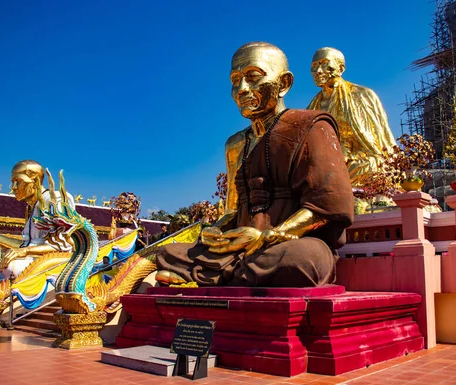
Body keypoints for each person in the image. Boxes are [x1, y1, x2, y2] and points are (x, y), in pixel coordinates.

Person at [156, 42, 353, 287]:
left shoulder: (312, 126)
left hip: (290, 242)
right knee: (167, 254)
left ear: (284, 83)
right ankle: (227, 273)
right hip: (239, 248)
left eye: (253, 77)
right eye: (235, 79)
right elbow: (232, 210)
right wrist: (215, 232)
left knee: (303, 260)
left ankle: (217, 276)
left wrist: (269, 235)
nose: (241, 89)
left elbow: (329, 207)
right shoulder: (236, 144)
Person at [0, 160, 75, 280]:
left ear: (35, 182)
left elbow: (62, 246)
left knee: (12, 267)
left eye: (18, 182)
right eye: (12, 182)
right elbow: (27, 245)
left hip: (56, 261)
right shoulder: (32, 207)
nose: (13, 188)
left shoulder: (53, 200)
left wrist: (25, 251)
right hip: (31, 259)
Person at [307, 47, 397, 187]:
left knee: (377, 166)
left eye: (325, 63)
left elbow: (381, 139)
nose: (318, 71)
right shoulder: (312, 108)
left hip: (357, 162)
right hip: (325, 164)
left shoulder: (362, 95)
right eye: (314, 66)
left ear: (341, 68)